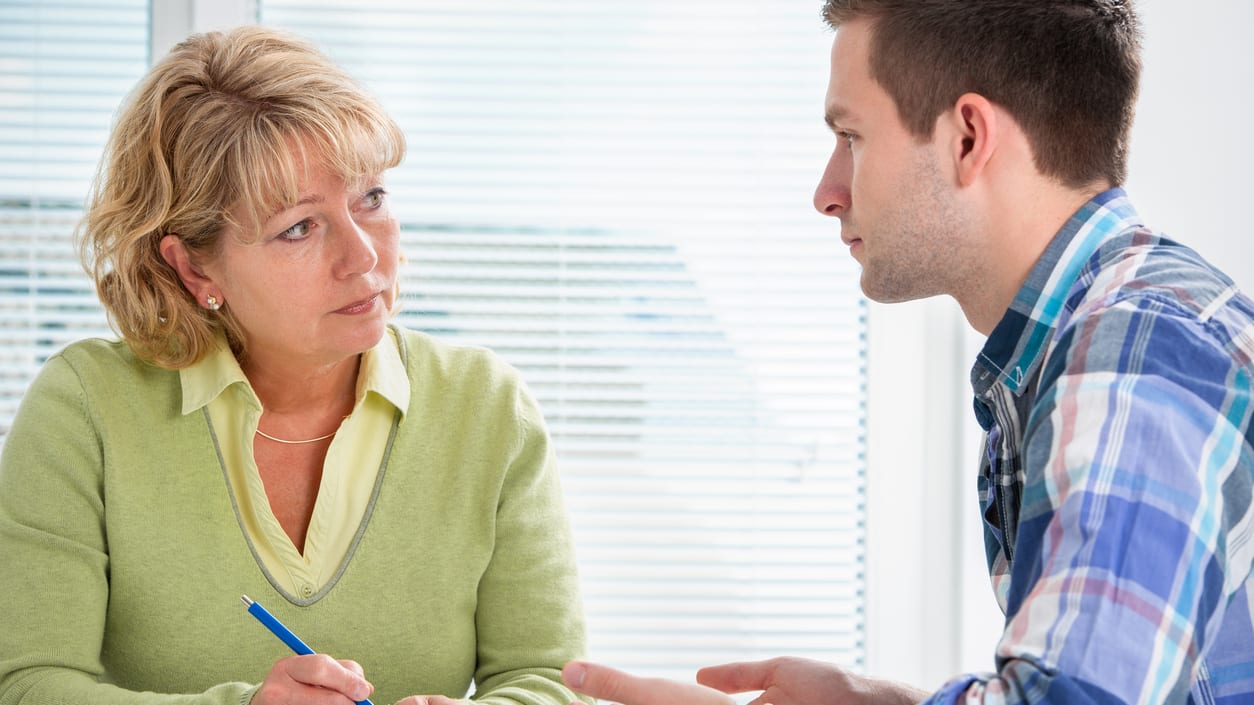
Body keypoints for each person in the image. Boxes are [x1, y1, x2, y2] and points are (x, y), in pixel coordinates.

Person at [562, 1, 1254, 705]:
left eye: (851, 136)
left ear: (966, 139)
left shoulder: (1133, 358)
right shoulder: (1084, 347)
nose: (826, 193)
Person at [0, 26, 588, 705]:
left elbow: (551, 679)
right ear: (193, 266)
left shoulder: (488, 407)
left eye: (371, 198)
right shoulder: (86, 406)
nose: (364, 255)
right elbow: (27, 685)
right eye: (300, 227)